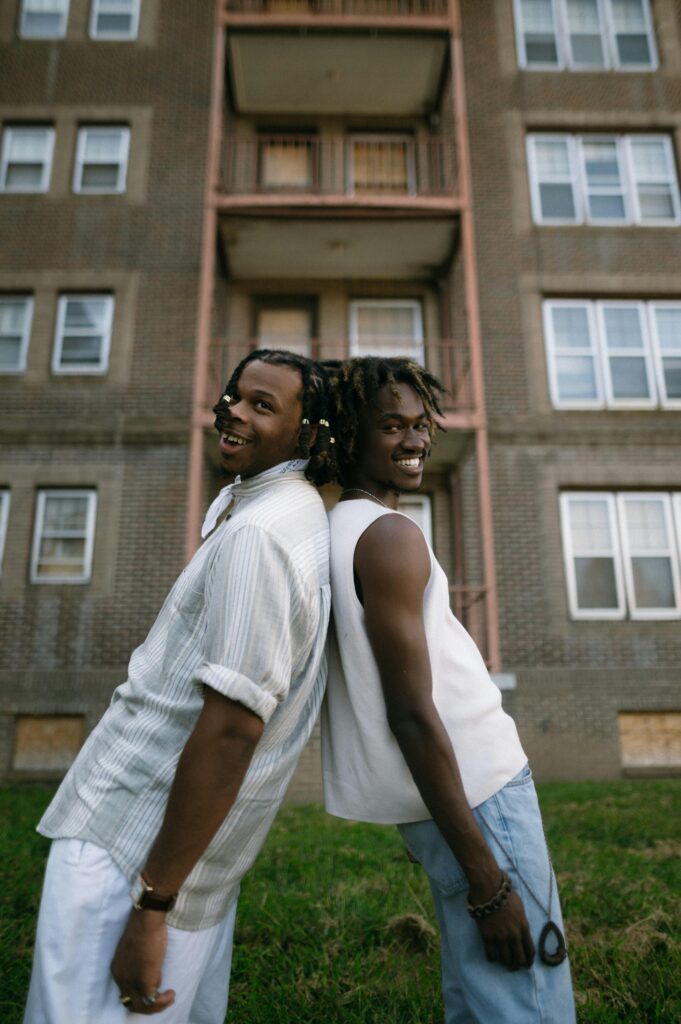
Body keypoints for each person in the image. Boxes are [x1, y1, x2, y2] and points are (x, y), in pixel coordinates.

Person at [24, 349, 337, 1023]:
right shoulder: (284, 513)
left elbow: (232, 729)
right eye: (234, 395)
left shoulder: (263, 534)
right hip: (182, 854)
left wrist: (152, 904)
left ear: (307, 436)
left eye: (262, 404)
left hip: (130, 847)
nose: (232, 409)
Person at [321, 356, 575, 1023]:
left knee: (477, 991)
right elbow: (408, 711)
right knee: (526, 997)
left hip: (445, 798)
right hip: (478, 793)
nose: (415, 441)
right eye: (390, 427)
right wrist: (488, 883)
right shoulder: (388, 537)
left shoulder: (342, 529)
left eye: (420, 423)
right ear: (349, 436)